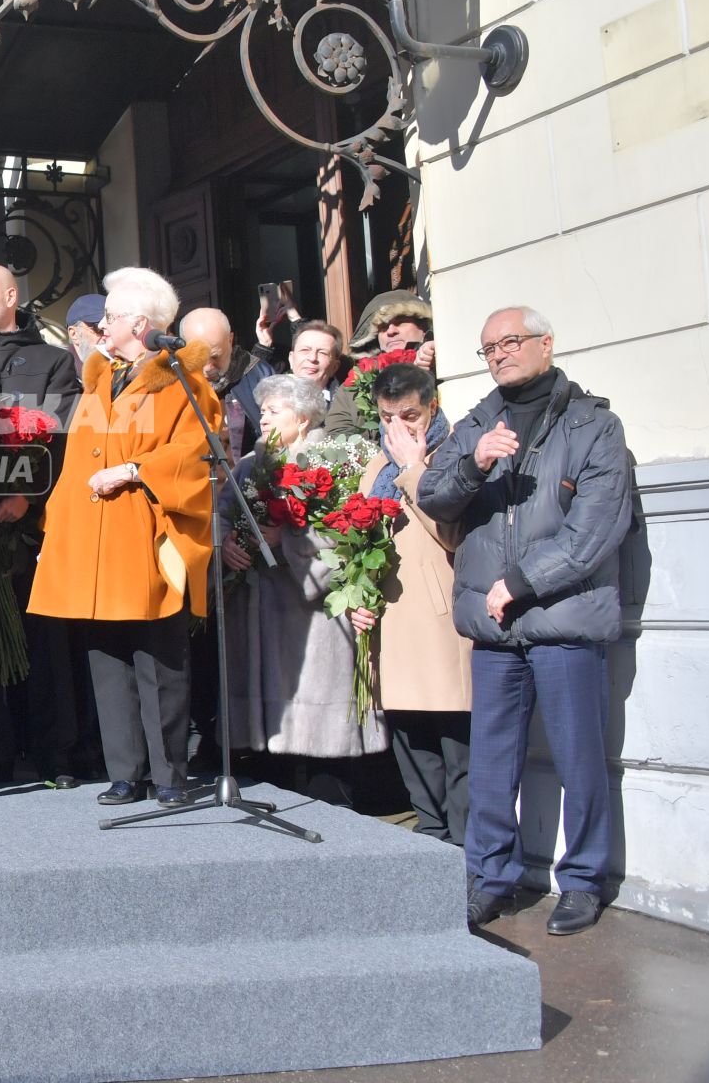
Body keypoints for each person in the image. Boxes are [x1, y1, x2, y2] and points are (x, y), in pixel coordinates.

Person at [419, 306, 630, 938]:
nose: (501, 353)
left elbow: (597, 527)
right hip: (494, 625)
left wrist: (523, 582)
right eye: (488, 347)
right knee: (492, 760)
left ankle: (586, 880)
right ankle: (490, 878)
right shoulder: (478, 422)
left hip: (562, 617)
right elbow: (433, 495)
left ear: (546, 344)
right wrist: (472, 463)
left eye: (512, 341)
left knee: (579, 758)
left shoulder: (595, 424)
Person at [29, 266, 217, 809]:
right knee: (105, 657)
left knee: (157, 657)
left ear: (140, 323)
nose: (100, 323)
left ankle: (169, 775)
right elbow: (74, 464)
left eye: (109, 315)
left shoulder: (184, 380)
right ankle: (124, 772)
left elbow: (195, 455)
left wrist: (133, 470)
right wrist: (55, 532)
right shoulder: (97, 378)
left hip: (146, 533)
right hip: (91, 537)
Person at [221, 375, 386, 801]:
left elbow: (345, 534)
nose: (265, 417)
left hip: (310, 614)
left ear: (304, 417)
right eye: (265, 409)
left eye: (276, 410)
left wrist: (287, 541)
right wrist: (226, 544)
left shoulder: (327, 462)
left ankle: (335, 806)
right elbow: (220, 513)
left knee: (318, 729)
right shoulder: (246, 465)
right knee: (272, 731)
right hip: (259, 607)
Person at [0, 264, 81, 790]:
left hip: (33, 528)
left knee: (43, 640)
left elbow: (63, 439)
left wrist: (26, 499)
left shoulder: (54, 363)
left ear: (11, 295)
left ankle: (55, 754)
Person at [350, 363, 472, 846]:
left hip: (440, 623)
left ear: (432, 408)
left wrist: (413, 468)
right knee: (409, 741)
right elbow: (357, 546)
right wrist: (355, 602)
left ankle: (465, 851)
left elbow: (453, 533)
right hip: (389, 624)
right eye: (387, 418)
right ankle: (431, 835)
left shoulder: (454, 453)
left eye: (410, 416)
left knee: (456, 746)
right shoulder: (375, 465)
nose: (398, 429)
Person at [179, 307, 272, 462]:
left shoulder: (259, 375)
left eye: (215, 356)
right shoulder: (173, 381)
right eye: (199, 357)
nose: (208, 368)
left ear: (230, 339)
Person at [288, 319, 364, 437]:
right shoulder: (269, 398)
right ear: (291, 359)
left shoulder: (351, 403)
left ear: (334, 367)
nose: (313, 358)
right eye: (305, 350)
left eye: (322, 353)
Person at [63, 293, 105, 374]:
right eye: (98, 328)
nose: (106, 335)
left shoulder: (124, 370)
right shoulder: (60, 375)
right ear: (74, 334)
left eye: (110, 327)